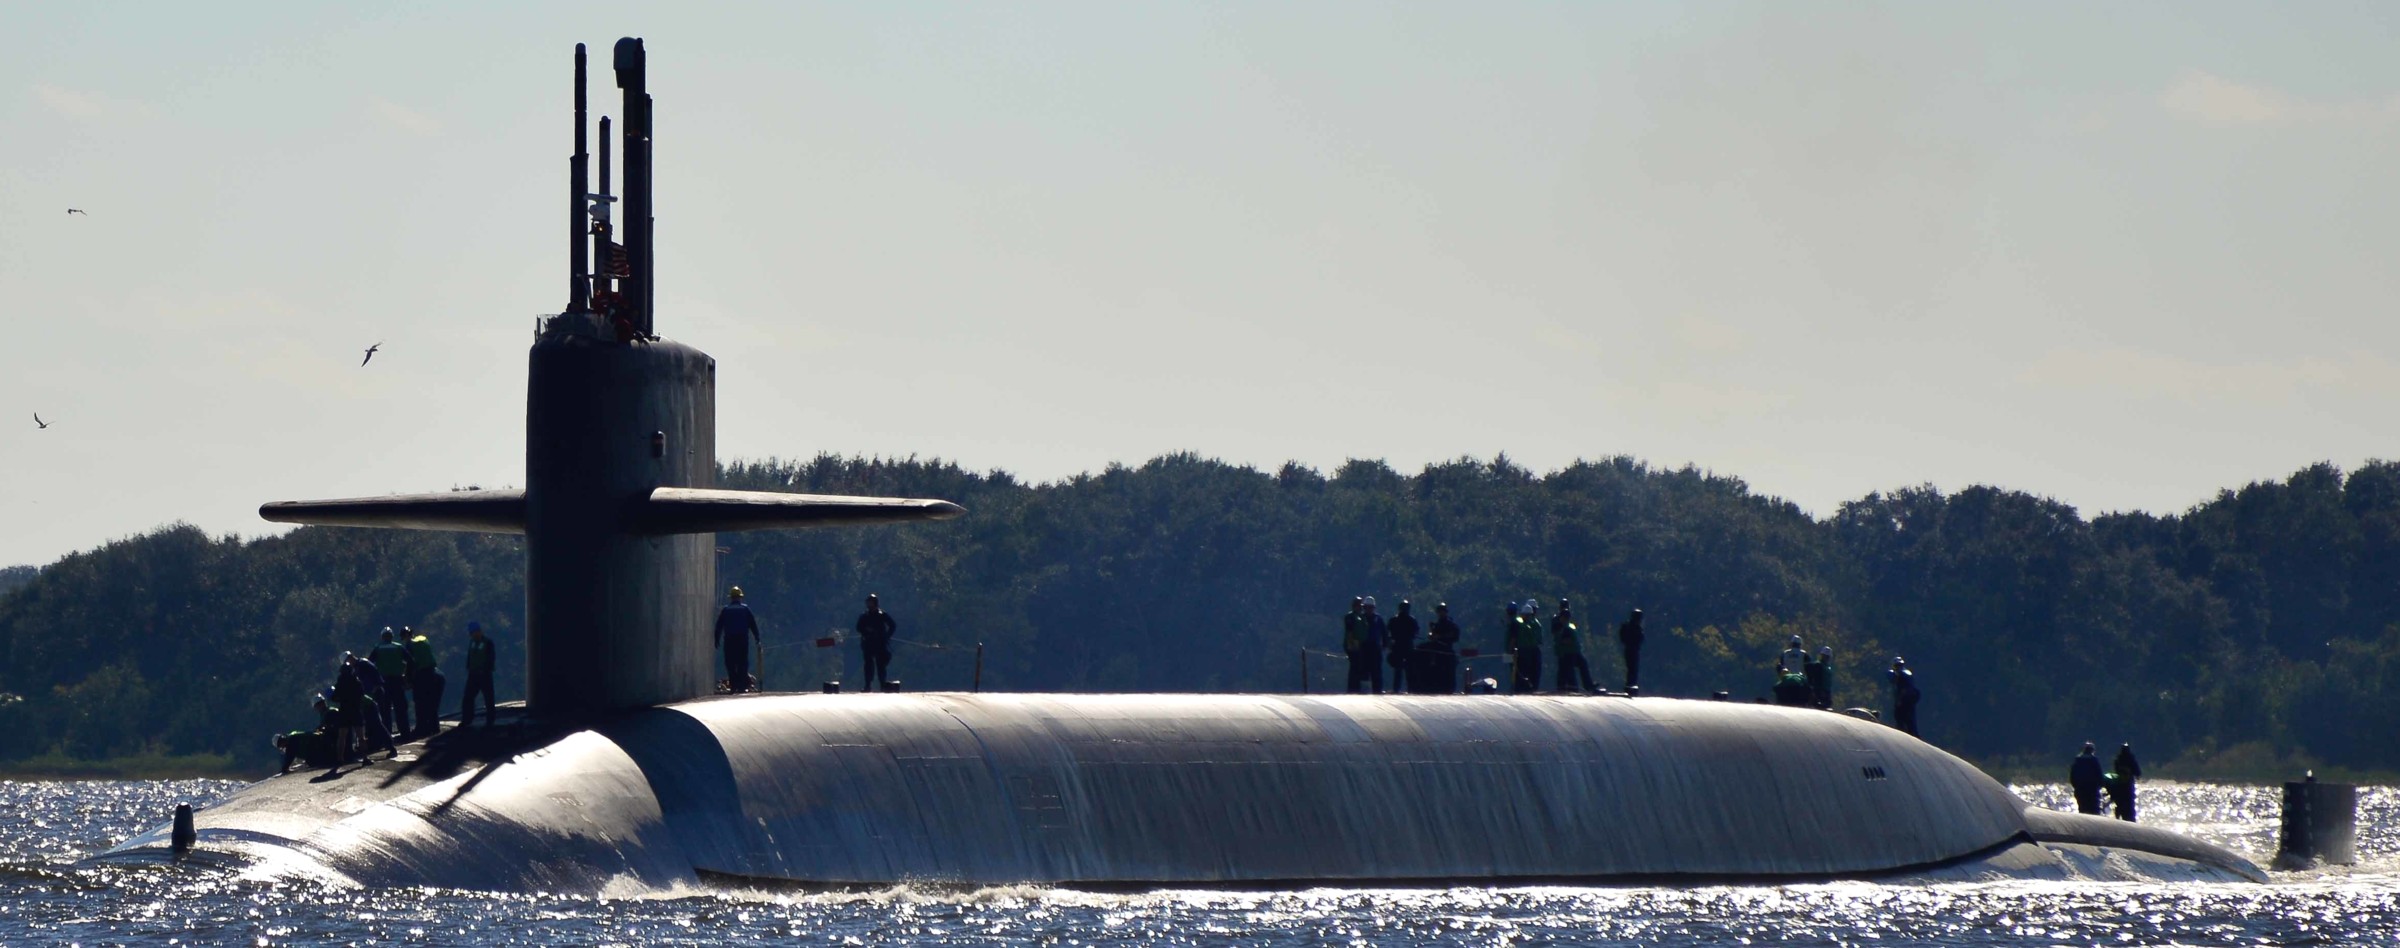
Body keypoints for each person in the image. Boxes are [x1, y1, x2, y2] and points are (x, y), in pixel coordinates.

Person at [368, 627, 413, 736]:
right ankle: (405, 732)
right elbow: (411, 661)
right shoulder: (398, 647)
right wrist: (406, 676)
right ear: (392, 636)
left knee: (385, 710)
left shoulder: (378, 648)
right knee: (400, 708)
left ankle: (387, 735)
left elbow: (369, 664)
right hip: (398, 681)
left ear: (382, 637)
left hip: (384, 682)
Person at [715, 587, 759, 694]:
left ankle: (733, 685)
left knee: (730, 663)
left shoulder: (726, 610)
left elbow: (719, 626)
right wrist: (757, 638)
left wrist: (716, 639)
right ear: (740, 598)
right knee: (742, 662)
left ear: (731, 598)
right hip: (742, 640)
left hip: (729, 640)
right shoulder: (745, 609)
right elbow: (753, 625)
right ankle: (742, 686)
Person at [405, 626, 445, 738]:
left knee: (420, 704)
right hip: (435, 674)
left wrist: (408, 679)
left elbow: (410, 663)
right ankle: (434, 728)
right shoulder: (423, 640)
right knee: (432, 704)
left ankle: (421, 729)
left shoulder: (409, 645)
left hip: (422, 676)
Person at [856, 593, 898, 692]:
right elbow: (858, 628)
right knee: (868, 665)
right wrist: (866, 631)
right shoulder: (864, 616)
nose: (869, 605)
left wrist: (887, 636)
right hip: (868, 643)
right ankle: (867, 685)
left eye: (871, 603)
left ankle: (882, 685)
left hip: (880, 643)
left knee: (881, 665)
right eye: (868, 603)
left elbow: (892, 625)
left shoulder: (882, 615)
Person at [1552, 600, 1594, 694]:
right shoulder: (1558, 622)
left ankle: (1587, 685)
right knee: (1567, 670)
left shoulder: (1568, 624)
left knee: (1581, 665)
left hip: (1574, 651)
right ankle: (1569, 687)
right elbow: (1560, 638)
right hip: (1566, 652)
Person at [461, 621, 497, 726]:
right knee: (468, 698)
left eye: (475, 632)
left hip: (485, 674)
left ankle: (490, 721)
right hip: (473, 674)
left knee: (488, 698)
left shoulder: (488, 643)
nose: (474, 634)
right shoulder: (472, 642)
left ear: (479, 631)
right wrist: (469, 667)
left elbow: (491, 658)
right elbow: (470, 656)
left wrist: (486, 669)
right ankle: (467, 720)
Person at [1424, 602, 1461, 694]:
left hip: (1447, 650)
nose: (1441, 613)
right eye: (1439, 612)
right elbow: (1431, 637)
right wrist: (1431, 633)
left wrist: (1440, 637)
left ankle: (1450, 688)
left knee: (1449, 671)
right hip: (1437, 652)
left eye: (1442, 611)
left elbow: (1455, 636)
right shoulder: (1436, 625)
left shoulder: (1451, 625)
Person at [1385, 600, 1420, 694]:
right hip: (1405, 646)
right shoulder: (1409, 620)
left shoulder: (1395, 620)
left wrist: (1389, 643)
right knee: (1405, 669)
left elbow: (1388, 633)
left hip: (1400, 646)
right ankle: (1409, 689)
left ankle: (1400, 688)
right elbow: (1416, 632)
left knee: (1402, 669)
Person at [1512, 600, 1544, 694]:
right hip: (1527, 649)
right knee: (1526, 670)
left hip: (1530, 649)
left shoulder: (1532, 623)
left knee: (1531, 671)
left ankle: (1529, 688)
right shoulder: (1527, 623)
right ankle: (1525, 688)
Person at [2109, 743, 2143, 821]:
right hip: (2128, 785)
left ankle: (2118, 815)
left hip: (2119, 784)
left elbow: (2116, 771)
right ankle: (2130, 820)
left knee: (2119, 802)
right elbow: (2138, 772)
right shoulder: (2131, 759)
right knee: (2130, 804)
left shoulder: (2118, 759)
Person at [2069, 742, 2105, 815]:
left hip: (2080, 789)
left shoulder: (2077, 761)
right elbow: (2099, 775)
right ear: (2092, 750)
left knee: (2082, 809)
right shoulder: (2094, 761)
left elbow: (2072, 776)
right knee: (2093, 810)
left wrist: (2076, 786)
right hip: (2092, 789)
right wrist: (2101, 785)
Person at [1888, 656, 1920, 737]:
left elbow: (1903, 688)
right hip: (1912, 698)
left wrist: (1899, 700)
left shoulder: (1901, 674)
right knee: (1910, 718)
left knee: (1900, 716)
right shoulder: (1907, 672)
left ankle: (1904, 733)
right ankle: (1912, 733)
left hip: (1905, 699)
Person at [1617, 609, 1645, 695]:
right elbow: (1641, 638)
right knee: (1632, 669)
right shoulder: (1636, 627)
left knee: (1631, 668)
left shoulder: (1627, 626)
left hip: (1630, 649)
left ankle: (1630, 684)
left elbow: (1622, 636)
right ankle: (1631, 685)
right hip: (1632, 650)